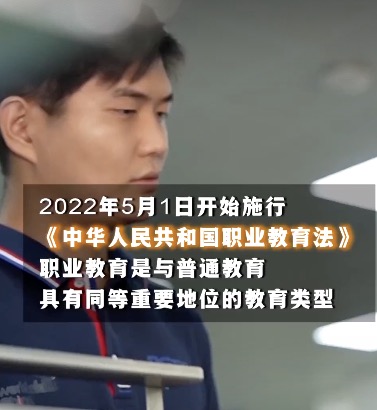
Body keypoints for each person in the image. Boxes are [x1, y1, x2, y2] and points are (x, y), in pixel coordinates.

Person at [0, 6, 220, 410]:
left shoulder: (173, 320)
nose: (156, 144)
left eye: (161, 114)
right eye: (126, 112)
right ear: (22, 127)